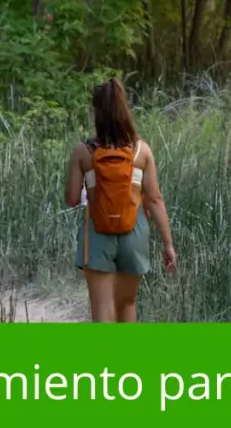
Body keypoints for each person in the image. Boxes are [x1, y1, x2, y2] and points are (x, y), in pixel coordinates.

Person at [64, 78, 176, 322]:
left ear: (96, 112)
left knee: (102, 310)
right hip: (134, 234)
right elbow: (155, 200)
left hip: (97, 234)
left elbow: (72, 199)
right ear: (125, 109)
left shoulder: (83, 151)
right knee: (127, 304)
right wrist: (168, 244)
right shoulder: (141, 151)